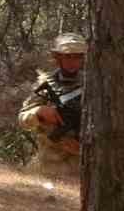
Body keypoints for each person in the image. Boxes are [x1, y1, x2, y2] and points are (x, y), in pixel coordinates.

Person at [18, 32, 88, 177]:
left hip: (84, 163)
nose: (72, 61)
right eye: (68, 56)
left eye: (77, 57)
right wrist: (39, 112)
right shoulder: (46, 84)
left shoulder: (93, 84)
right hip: (50, 163)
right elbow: (22, 119)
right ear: (58, 57)